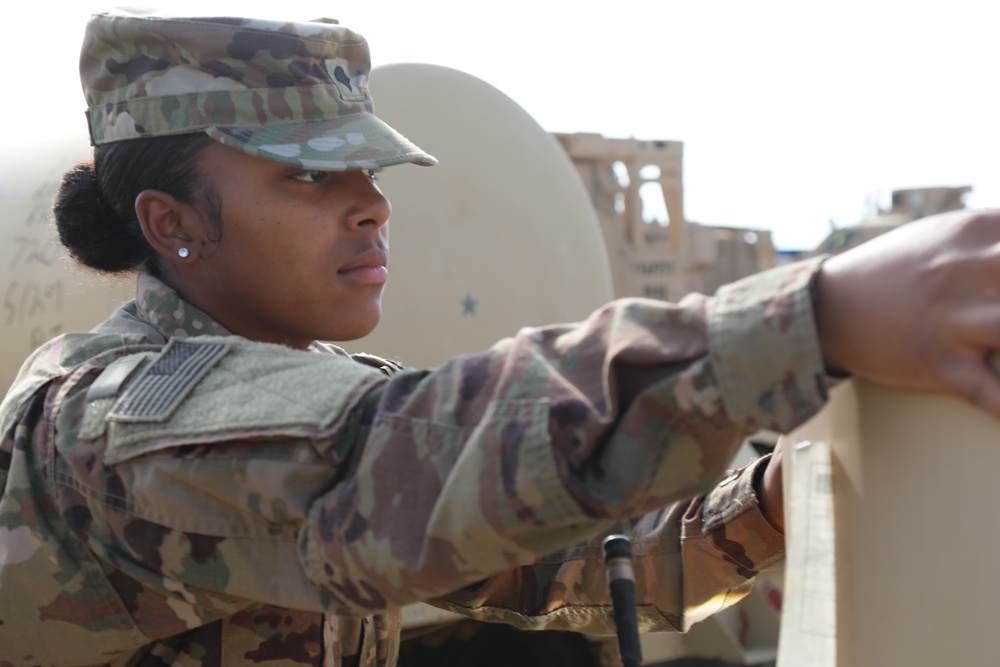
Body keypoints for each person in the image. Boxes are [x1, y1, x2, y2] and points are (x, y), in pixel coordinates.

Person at [3, 8, 1000, 667]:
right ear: (172, 223)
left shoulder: (314, 385)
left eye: (370, 174)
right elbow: (399, 460)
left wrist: (771, 502)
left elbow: (578, 563)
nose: (369, 208)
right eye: (307, 176)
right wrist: (812, 317)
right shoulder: (117, 424)